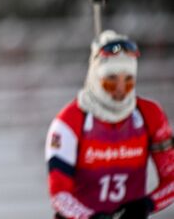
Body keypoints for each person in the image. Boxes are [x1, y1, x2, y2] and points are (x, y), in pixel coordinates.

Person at [45, 30, 174, 219]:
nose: (120, 90)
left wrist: (146, 205)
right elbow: (59, 193)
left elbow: (171, 179)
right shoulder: (69, 121)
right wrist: (91, 217)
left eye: (128, 80)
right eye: (111, 81)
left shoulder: (150, 115)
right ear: (96, 78)